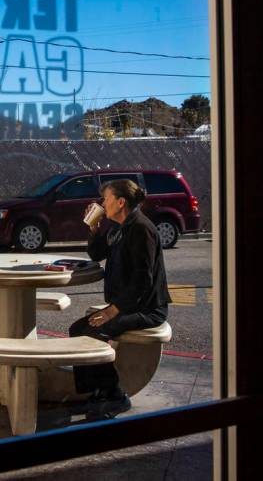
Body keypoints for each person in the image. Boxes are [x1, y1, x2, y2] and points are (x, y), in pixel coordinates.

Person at [69, 178, 172, 419]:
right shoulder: (119, 226)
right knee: (77, 330)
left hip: (147, 308)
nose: (102, 203)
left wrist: (113, 310)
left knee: (95, 332)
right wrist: (94, 228)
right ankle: (96, 392)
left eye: (106, 198)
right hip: (128, 305)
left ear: (121, 201)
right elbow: (96, 253)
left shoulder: (141, 229)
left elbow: (142, 281)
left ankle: (115, 395)